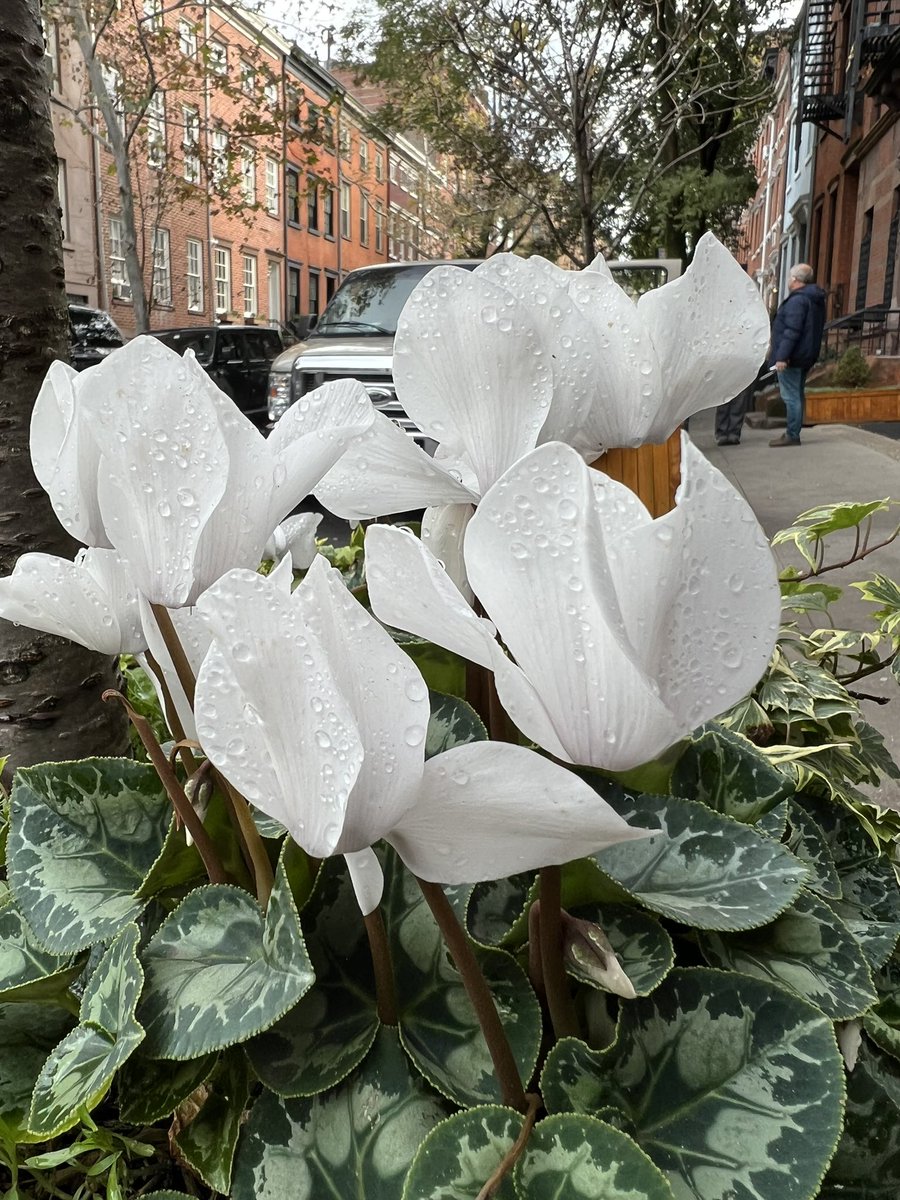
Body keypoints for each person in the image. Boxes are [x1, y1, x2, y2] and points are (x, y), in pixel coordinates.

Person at [768, 263, 827, 447]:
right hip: (804, 355)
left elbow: (792, 331)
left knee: (791, 396)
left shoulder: (797, 301)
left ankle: (792, 434)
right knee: (797, 394)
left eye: (789, 277)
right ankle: (794, 432)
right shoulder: (812, 299)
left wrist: (781, 357)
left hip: (792, 357)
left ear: (795, 280)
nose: (788, 281)